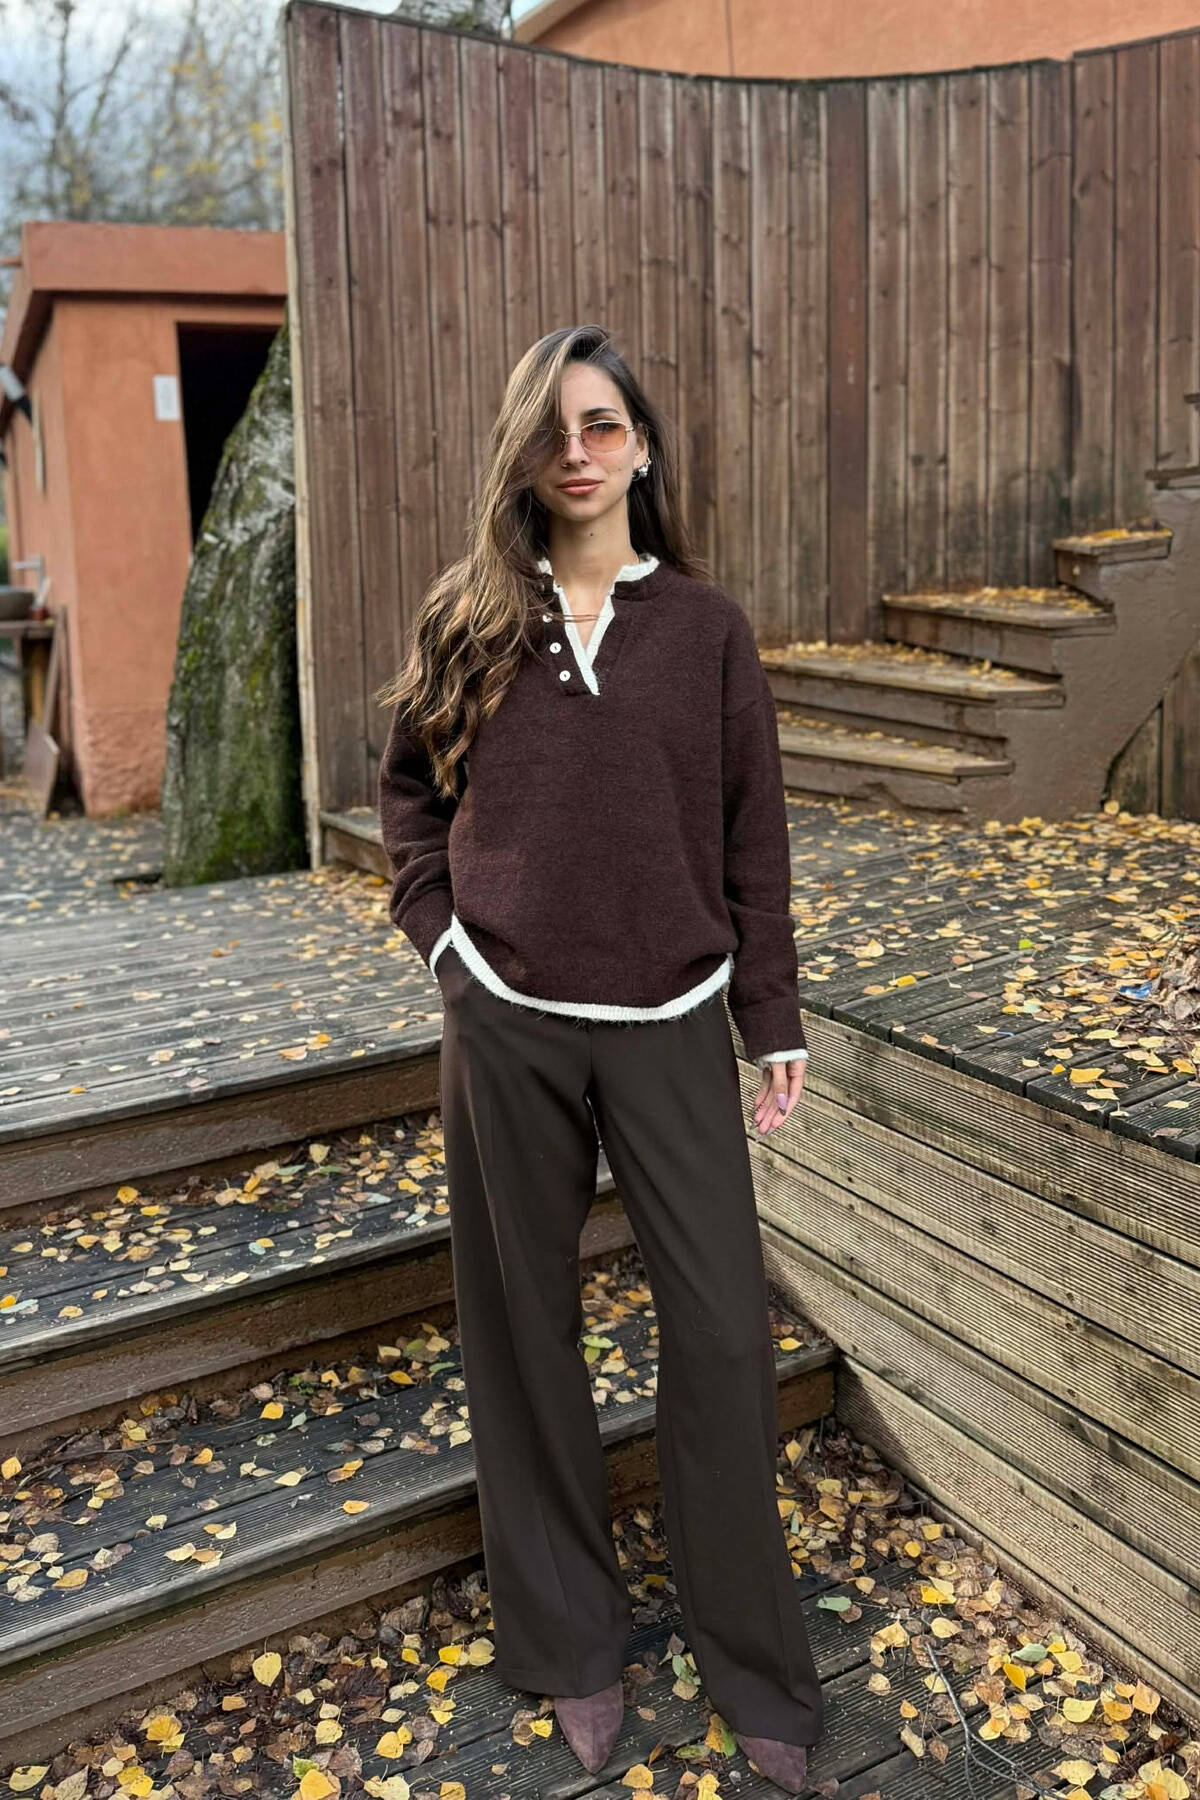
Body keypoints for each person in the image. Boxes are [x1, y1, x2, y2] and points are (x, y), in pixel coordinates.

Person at [375, 324, 823, 1792]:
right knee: (526, 1333)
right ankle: (571, 1640)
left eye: (604, 425)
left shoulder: (706, 630)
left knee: (721, 1336)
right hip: (506, 1016)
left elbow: (755, 836)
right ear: (522, 453)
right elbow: (406, 801)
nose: (578, 452)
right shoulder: (468, 619)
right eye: (553, 430)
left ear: (642, 447)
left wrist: (771, 1015)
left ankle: (751, 1659)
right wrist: (450, 953)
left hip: (674, 1011)